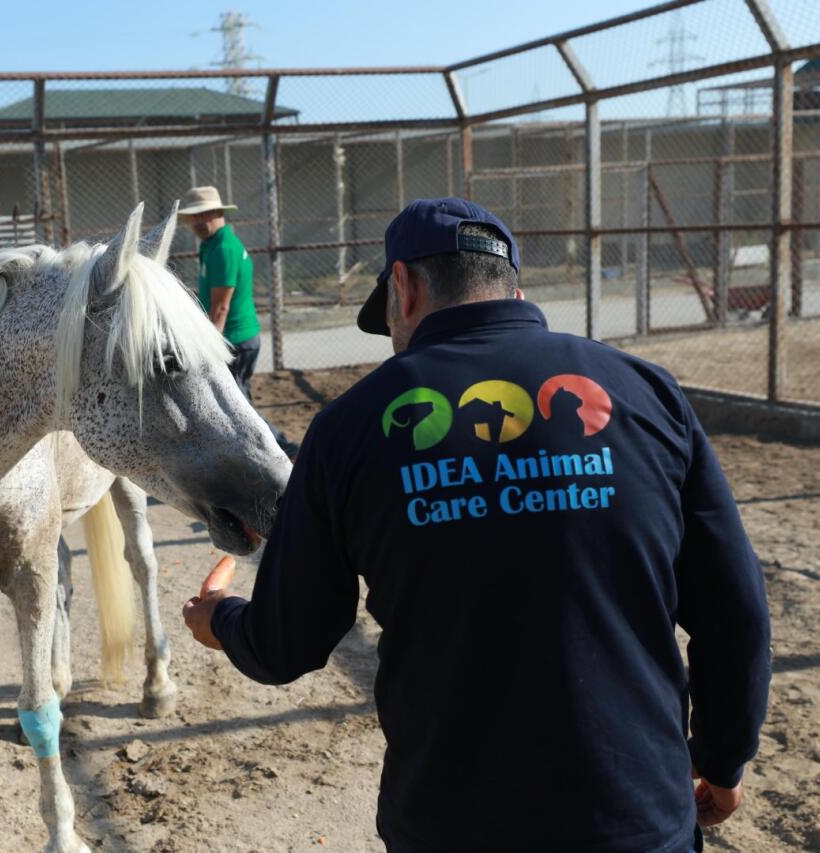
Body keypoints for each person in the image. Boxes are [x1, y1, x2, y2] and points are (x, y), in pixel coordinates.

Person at [183, 197, 772, 852]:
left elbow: (288, 642)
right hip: (638, 816)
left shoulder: (347, 429)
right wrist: (722, 758)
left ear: (403, 287)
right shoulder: (647, 393)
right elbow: (736, 614)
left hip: (450, 824)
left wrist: (221, 619)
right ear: (514, 288)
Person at [179, 185, 298, 456]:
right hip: (235, 338)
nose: (198, 221)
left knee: (238, 408)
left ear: (219, 213)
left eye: (204, 214)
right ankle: (274, 449)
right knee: (238, 403)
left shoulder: (223, 249)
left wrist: (210, 347)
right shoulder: (211, 245)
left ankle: (283, 449)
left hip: (234, 340)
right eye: (193, 216)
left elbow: (221, 307)